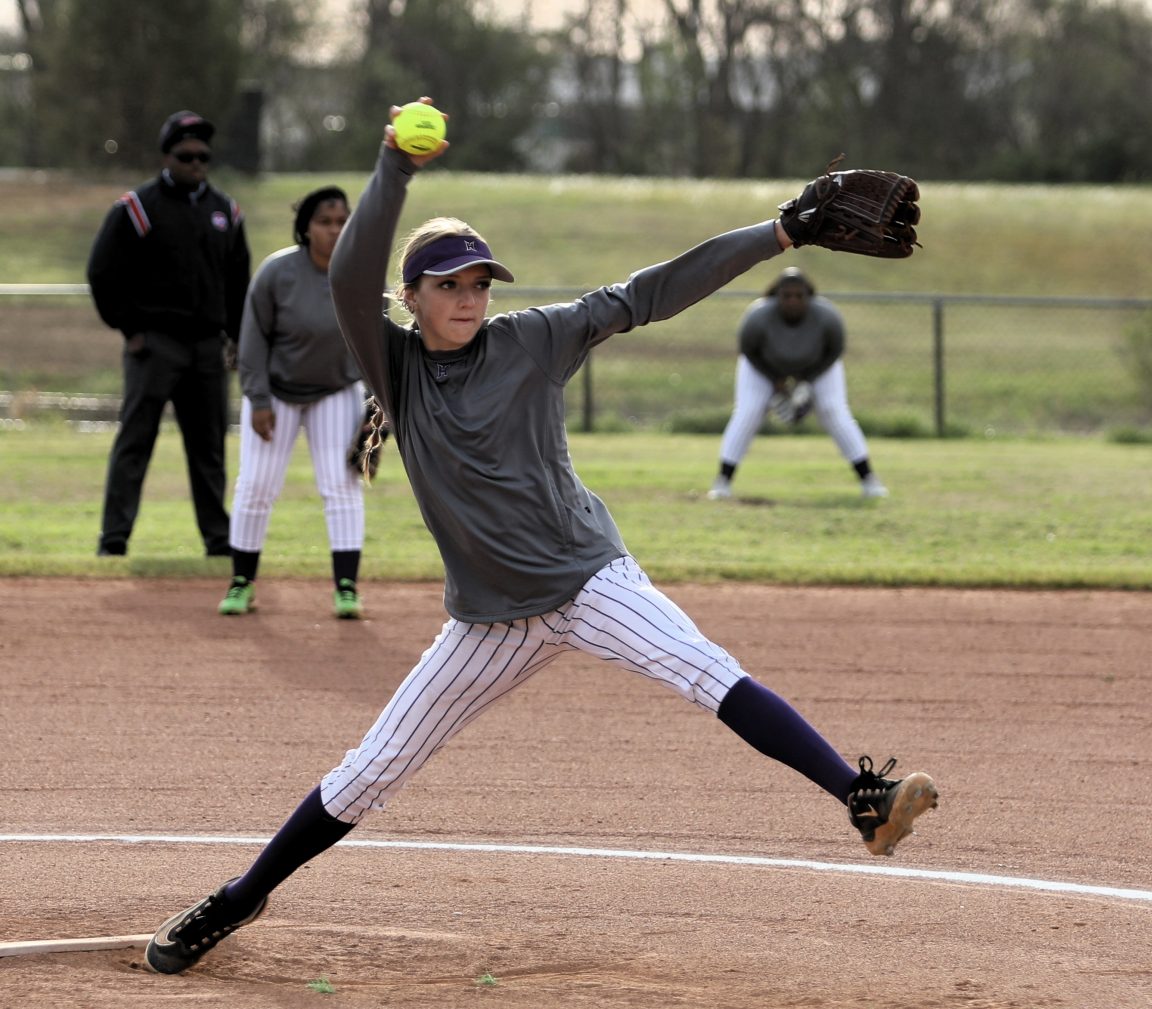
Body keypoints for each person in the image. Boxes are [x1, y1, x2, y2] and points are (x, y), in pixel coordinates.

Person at [142, 99, 938, 976]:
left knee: (703, 666)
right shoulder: (398, 367)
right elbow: (348, 276)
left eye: (480, 282)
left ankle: (859, 797)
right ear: (410, 299)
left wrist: (780, 232)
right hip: (487, 621)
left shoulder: (534, 339)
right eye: (448, 285)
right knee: (371, 771)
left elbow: (652, 290)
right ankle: (240, 895)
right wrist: (395, 166)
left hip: (591, 579)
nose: (469, 298)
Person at [87, 110, 251, 557]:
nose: (196, 163)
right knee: (135, 442)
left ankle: (218, 541)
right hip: (154, 343)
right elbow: (102, 273)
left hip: (206, 347)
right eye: (186, 155)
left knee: (209, 447)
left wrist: (236, 339)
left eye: (203, 156)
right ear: (167, 156)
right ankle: (113, 539)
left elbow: (238, 284)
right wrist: (131, 329)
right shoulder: (137, 210)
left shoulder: (226, 212)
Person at [218, 187, 368, 620]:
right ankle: (241, 582)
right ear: (305, 227)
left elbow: (377, 345)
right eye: (325, 221)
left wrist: (377, 408)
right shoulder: (277, 272)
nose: (335, 229)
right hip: (277, 392)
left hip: (337, 390)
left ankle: (346, 587)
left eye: (342, 221)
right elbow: (252, 340)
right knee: (256, 485)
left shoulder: (359, 273)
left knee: (341, 486)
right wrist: (259, 399)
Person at [708, 267, 888, 501]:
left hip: (816, 367)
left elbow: (835, 351)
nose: (793, 301)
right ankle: (722, 481)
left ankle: (869, 479)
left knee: (833, 410)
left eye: (799, 295)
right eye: (787, 295)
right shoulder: (758, 315)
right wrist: (776, 382)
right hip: (764, 367)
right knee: (749, 411)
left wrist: (807, 380)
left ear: (809, 296)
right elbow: (748, 351)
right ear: (776, 296)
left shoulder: (827, 316)